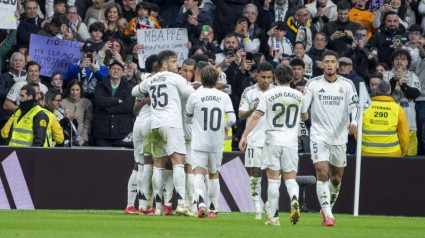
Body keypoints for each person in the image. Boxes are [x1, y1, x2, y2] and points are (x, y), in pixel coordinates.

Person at [131, 50, 195, 216]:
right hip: (172, 125)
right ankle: (181, 204)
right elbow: (191, 95)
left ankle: (157, 207)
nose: (177, 65)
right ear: (165, 64)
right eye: (174, 61)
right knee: (178, 162)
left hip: (155, 126)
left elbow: (134, 92)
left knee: (157, 165)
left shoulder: (151, 79)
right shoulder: (175, 78)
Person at [239, 64, 304, 226]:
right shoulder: (298, 95)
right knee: (290, 179)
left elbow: (255, 117)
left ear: (275, 78)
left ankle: (274, 218)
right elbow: (305, 115)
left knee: (273, 180)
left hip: (272, 140)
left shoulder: (268, 94)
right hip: (291, 141)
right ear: (291, 78)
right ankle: (294, 200)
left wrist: (244, 135)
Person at [301, 50, 359, 226]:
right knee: (322, 171)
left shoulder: (347, 85)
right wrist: (306, 117)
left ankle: (327, 208)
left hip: (339, 137)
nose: (330, 64)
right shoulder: (313, 84)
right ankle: (328, 215)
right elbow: (304, 106)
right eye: (326, 61)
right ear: (322, 64)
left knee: (336, 178)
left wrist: (354, 122)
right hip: (319, 135)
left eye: (333, 62)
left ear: (337, 65)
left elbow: (354, 106)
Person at [186, 65, 236, 218]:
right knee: (214, 174)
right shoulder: (223, 96)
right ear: (216, 79)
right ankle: (213, 208)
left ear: (200, 78)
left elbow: (187, 118)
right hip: (216, 141)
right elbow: (233, 120)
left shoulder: (194, 95)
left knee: (199, 174)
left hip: (199, 141)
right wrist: (223, 125)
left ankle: (200, 204)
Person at [238, 61, 275, 220]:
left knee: (273, 174)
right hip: (254, 137)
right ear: (257, 76)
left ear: (273, 77)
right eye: (263, 77)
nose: (266, 80)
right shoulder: (249, 91)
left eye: (269, 77)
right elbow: (240, 115)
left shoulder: (277, 91)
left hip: (272, 139)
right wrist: (253, 109)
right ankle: (257, 208)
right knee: (255, 173)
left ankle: (268, 204)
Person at [383, 49, 421, 156]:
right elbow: (383, 92)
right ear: (393, 61)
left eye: (403, 59)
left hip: (409, 121)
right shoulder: (386, 75)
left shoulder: (413, 76)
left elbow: (415, 94)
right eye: (397, 59)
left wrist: (402, 84)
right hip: (390, 122)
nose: (400, 61)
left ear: (408, 62)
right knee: (391, 154)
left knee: (410, 154)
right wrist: (394, 79)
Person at [361, 80, 409, 157]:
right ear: (389, 91)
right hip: (392, 153)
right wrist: (403, 151)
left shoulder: (365, 107)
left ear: (376, 90)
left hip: (367, 153)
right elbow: (404, 133)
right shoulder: (397, 109)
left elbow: (357, 131)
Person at [92, 61, 134, 146]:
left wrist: (107, 108)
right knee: (102, 158)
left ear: (122, 73)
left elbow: (128, 107)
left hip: (122, 133)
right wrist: (116, 101)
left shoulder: (129, 87)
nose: (116, 71)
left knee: (121, 159)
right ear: (109, 71)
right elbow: (98, 101)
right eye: (113, 68)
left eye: (119, 69)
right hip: (103, 132)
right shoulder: (101, 84)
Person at [61, 80, 93, 146]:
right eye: (72, 90)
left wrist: (83, 139)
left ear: (81, 90)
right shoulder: (63, 103)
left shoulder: (86, 102)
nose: (75, 92)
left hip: (81, 138)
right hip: (66, 138)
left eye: (77, 90)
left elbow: (88, 123)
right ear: (69, 90)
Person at [0, 52, 27, 129]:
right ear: (11, 63)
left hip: (24, 115)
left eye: (20, 60)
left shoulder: (27, 77)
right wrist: (16, 87)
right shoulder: (4, 77)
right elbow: (1, 92)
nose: (18, 62)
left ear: (24, 63)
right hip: (7, 115)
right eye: (15, 60)